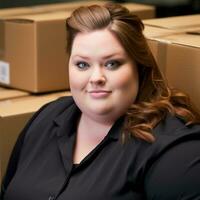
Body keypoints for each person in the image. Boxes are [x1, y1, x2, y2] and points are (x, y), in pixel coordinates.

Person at [1, 3, 200, 200]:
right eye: (82, 64)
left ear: (139, 67)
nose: (96, 77)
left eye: (112, 64)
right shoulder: (47, 117)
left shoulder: (175, 149)